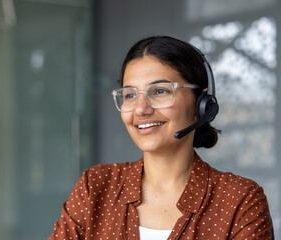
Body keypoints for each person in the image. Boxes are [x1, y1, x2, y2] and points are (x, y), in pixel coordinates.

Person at [49, 36, 274, 239]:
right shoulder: (96, 186)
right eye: (130, 95)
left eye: (160, 91)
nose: (140, 109)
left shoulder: (239, 200)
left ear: (202, 105)